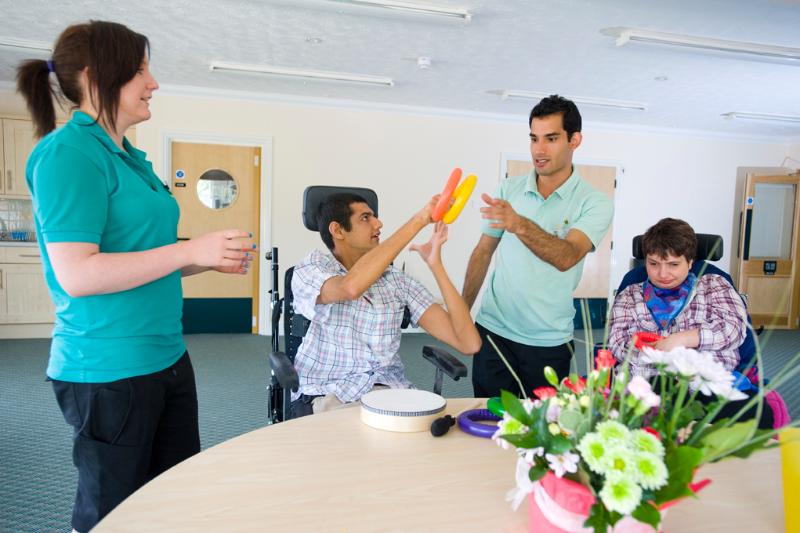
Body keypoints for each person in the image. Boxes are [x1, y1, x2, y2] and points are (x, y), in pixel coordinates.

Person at [16, 21, 254, 532]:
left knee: (172, 499)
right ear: (97, 75)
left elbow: (145, 261)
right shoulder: (68, 155)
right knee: (113, 516)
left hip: (165, 356)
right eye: (142, 69)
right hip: (108, 370)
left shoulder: (130, 158)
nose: (154, 82)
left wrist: (202, 259)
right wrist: (189, 249)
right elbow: (78, 274)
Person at [462, 95, 613, 398]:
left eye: (551, 139)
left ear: (575, 140)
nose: (539, 150)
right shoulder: (509, 189)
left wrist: (518, 223)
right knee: (488, 424)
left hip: (549, 341)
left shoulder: (594, 202)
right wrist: (461, 311)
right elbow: (483, 251)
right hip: (494, 331)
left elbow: (567, 256)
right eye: (534, 139)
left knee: (543, 433)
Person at [289, 192, 481, 417]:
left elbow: (469, 343)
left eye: (374, 217)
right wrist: (419, 220)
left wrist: (435, 265)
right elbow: (350, 288)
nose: (378, 224)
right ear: (338, 230)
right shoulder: (313, 267)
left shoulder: (396, 280)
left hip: (390, 394)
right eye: (365, 218)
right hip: (331, 393)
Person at [606, 217, 773, 428]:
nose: (662, 274)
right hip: (650, 382)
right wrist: (659, 354)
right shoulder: (630, 294)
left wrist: (683, 339)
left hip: (706, 382)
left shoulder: (715, 284)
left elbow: (734, 329)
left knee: (761, 416)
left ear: (690, 261)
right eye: (653, 264)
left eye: (673, 264)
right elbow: (617, 341)